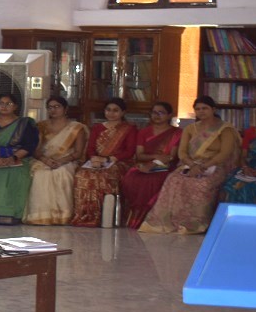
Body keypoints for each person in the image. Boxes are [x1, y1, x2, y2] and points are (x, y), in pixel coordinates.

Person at [140, 96, 241, 234]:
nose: (201, 111)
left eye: (205, 108)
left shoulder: (225, 129)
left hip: (215, 166)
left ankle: (195, 223)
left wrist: (203, 167)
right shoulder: (190, 128)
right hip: (191, 165)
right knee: (173, 180)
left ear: (213, 109)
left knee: (202, 184)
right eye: (197, 109)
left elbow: (225, 153)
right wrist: (192, 165)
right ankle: (172, 221)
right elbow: (182, 152)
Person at [71, 97, 137, 227]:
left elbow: (129, 151)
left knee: (103, 176)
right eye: (108, 110)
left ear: (123, 112)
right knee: (82, 175)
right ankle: (85, 215)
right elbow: (90, 148)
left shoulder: (129, 129)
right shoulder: (97, 128)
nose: (111, 113)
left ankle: (103, 217)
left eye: (115, 110)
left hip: (119, 162)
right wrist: (93, 159)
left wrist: (108, 159)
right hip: (97, 161)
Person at [0, 93, 39, 225]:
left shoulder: (24, 124)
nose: (4, 106)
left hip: (18, 159)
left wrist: (13, 158)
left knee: (18, 175)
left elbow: (30, 145)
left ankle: (12, 215)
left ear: (15, 106)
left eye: (8, 104)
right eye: (1, 103)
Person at [23, 95, 87, 225]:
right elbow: (36, 150)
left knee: (62, 173)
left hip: (67, 160)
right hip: (43, 160)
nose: (53, 110)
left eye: (57, 107)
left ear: (65, 109)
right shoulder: (41, 126)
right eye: (50, 107)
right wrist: (45, 160)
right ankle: (40, 216)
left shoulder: (77, 128)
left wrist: (61, 161)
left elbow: (78, 153)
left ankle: (62, 216)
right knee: (40, 174)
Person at [119, 102, 181, 229]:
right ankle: (135, 218)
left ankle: (151, 219)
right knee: (131, 177)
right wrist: (155, 157)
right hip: (145, 165)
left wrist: (155, 162)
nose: (157, 115)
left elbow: (170, 157)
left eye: (161, 113)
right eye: (154, 112)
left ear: (170, 115)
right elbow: (139, 155)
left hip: (166, 167)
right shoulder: (144, 132)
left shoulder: (177, 133)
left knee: (154, 180)